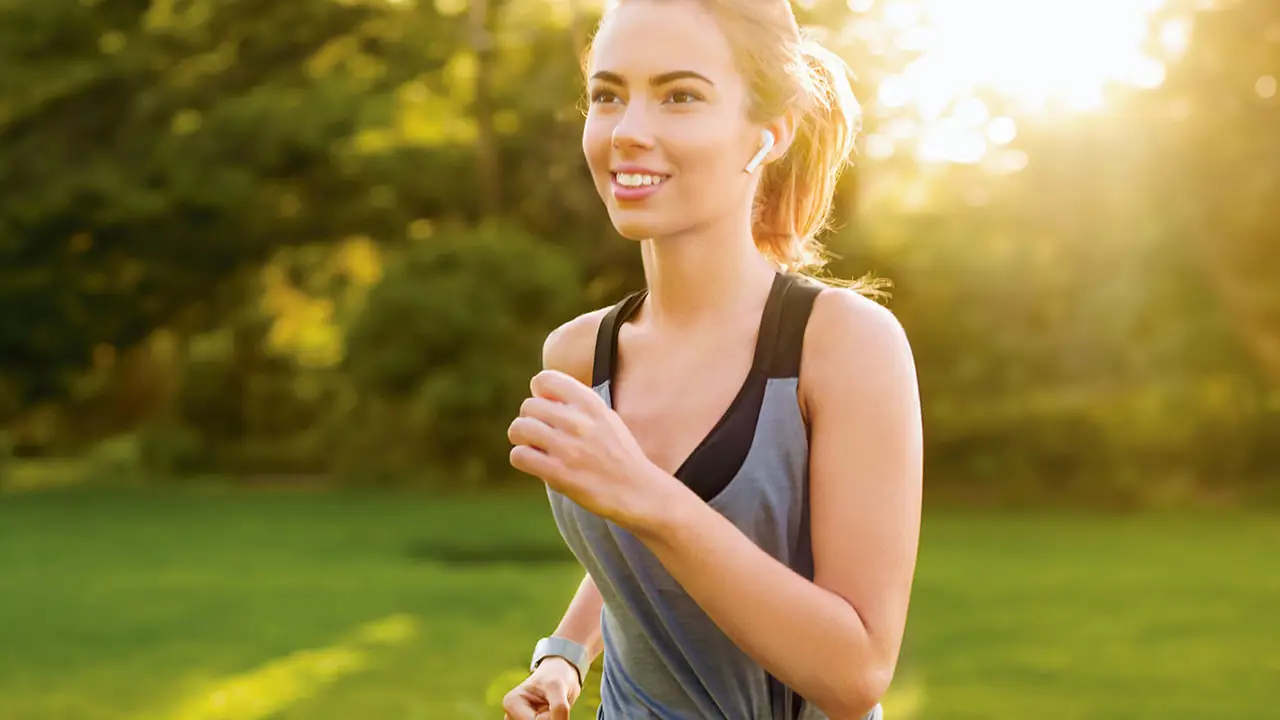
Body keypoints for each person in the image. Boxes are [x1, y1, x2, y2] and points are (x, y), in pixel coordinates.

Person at [503, 1, 923, 718]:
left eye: (680, 96)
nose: (629, 130)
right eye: (609, 95)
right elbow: (638, 560)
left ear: (767, 135)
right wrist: (565, 656)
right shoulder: (577, 356)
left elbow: (855, 673)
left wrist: (651, 496)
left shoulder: (844, 346)